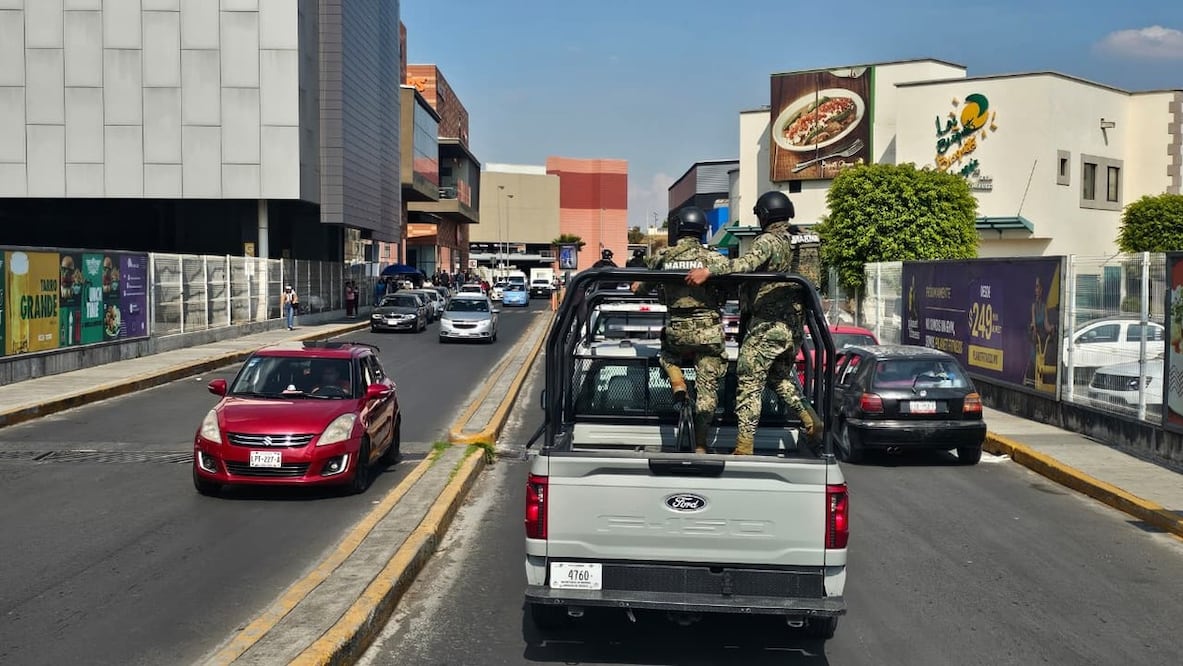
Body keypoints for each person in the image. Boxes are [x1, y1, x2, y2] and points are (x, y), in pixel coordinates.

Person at [686, 190, 822, 455]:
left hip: (766, 326)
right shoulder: (807, 238)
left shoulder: (769, 240)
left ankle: (744, 446)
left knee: (749, 385)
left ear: (764, 215)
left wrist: (708, 271)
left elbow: (746, 264)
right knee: (779, 377)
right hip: (793, 326)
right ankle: (811, 420)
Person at [632, 206, 728, 454]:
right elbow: (731, 278)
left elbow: (641, 288)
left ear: (678, 229)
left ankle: (678, 382)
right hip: (709, 334)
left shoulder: (664, 256)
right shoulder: (713, 258)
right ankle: (700, 444)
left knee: (666, 353)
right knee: (708, 389)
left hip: (677, 331)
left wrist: (636, 286)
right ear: (702, 230)